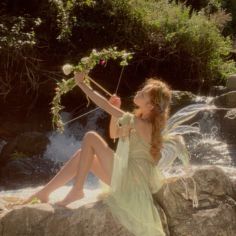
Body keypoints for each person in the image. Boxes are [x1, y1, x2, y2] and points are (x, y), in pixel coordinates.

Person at [24, 72, 175, 235]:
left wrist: (82, 84)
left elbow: (104, 105)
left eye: (143, 93)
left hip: (130, 181)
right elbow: (114, 134)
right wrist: (115, 110)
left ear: (151, 105)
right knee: (83, 154)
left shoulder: (143, 124)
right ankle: (45, 193)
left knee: (90, 137)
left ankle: (77, 190)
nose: (138, 92)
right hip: (126, 177)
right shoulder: (137, 120)